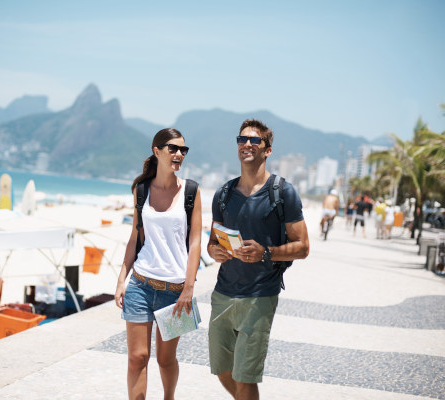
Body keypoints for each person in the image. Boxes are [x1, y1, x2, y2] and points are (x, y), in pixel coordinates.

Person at [207, 119, 309, 400]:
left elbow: (303, 246)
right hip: (223, 293)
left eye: (254, 141)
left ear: (268, 150)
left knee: (245, 376)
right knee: (222, 370)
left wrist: (266, 252)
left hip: (260, 296)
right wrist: (214, 251)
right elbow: (212, 242)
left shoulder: (283, 193)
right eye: (242, 140)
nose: (247, 145)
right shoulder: (224, 194)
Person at [114, 128, 202, 400]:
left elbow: (196, 242)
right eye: (172, 148)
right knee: (137, 358)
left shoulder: (191, 191)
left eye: (183, 150)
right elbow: (135, 237)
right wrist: (121, 278)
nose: (178, 154)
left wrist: (189, 287)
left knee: (166, 360)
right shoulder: (141, 190)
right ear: (157, 151)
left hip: (175, 291)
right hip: (141, 284)